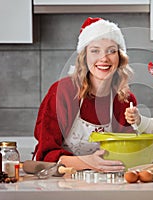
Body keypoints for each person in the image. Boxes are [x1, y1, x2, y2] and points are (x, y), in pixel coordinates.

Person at [33, 17, 137, 172]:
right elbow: (45, 153)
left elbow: (127, 150)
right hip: (58, 180)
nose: (104, 58)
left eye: (111, 51)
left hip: (105, 181)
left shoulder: (125, 100)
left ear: (119, 57)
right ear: (84, 57)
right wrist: (86, 163)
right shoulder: (62, 92)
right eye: (95, 50)